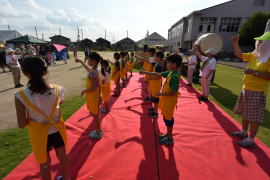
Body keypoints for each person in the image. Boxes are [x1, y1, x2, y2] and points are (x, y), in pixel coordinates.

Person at [14, 56, 69, 180]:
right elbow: (60, 104)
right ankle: (67, 178)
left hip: (39, 134)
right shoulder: (58, 89)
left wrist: (36, 117)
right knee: (62, 155)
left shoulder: (20, 96)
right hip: (57, 130)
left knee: (44, 163)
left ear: (24, 73)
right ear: (45, 71)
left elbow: (22, 124)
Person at [230, 33, 270, 148]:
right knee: (245, 112)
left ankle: (251, 139)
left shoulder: (269, 58)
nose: (258, 43)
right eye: (259, 42)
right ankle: (243, 132)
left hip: (258, 91)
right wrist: (235, 43)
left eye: (261, 42)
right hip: (246, 88)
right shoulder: (255, 55)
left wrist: (254, 72)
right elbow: (239, 55)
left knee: (254, 117)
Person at [140, 54, 182, 145]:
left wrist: (161, 94)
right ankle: (168, 134)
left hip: (169, 102)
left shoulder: (174, 76)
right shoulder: (170, 72)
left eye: (168, 63)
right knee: (166, 118)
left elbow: (173, 92)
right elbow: (158, 74)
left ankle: (170, 138)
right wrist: (146, 73)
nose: (166, 65)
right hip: (166, 101)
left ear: (174, 64)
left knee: (168, 119)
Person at [75, 52, 102, 139]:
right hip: (96, 96)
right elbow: (88, 69)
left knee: (95, 115)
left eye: (88, 59)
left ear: (93, 60)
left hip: (93, 96)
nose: (87, 61)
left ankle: (98, 132)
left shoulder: (93, 72)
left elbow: (93, 87)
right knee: (96, 114)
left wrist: (84, 91)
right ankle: (99, 129)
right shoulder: (96, 69)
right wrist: (80, 61)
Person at [140, 51, 164, 118]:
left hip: (156, 85)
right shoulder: (156, 64)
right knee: (153, 97)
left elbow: (158, 76)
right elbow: (155, 73)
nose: (154, 57)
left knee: (156, 98)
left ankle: (156, 112)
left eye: (155, 56)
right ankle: (154, 109)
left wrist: (151, 77)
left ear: (159, 58)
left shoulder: (159, 65)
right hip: (154, 84)